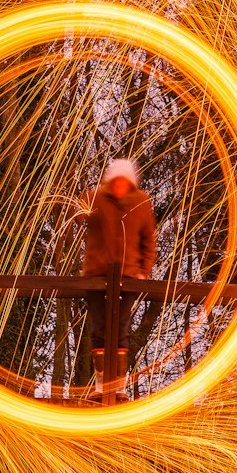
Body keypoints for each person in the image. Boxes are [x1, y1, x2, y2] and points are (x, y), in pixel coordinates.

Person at [81, 157, 156, 400]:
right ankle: (102, 386)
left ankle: (119, 387)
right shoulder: (95, 198)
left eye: (124, 183)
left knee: (121, 329)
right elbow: (78, 216)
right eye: (116, 182)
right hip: (95, 275)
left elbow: (149, 242)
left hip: (127, 277)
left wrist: (143, 271)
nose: (119, 187)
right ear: (110, 182)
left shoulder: (141, 203)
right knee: (99, 329)